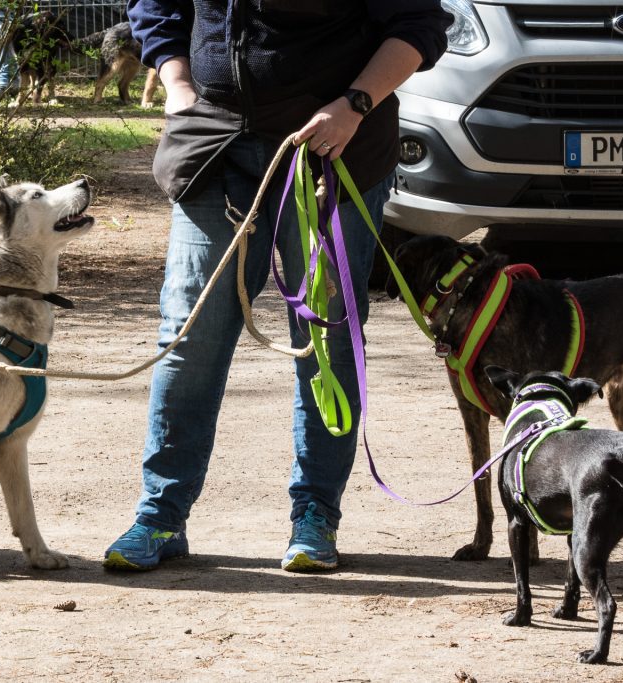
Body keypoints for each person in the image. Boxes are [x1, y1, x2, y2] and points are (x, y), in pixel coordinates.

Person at [104, 0, 452, 573]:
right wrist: (177, 82)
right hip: (214, 141)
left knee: (327, 340)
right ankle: (160, 515)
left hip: (334, 147)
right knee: (188, 335)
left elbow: (419, 23)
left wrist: (355, 104)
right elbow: (154, 7)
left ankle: (315, 516)